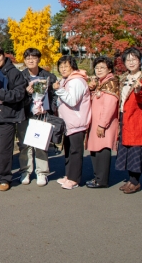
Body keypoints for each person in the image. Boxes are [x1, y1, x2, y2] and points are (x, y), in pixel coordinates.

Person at [0, 45, 27, 191]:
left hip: (7, 116)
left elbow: (20, 94)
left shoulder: (14, 73)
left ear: (3, 55)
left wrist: (2, 95)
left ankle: (5, 178)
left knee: (4, 149)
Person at [16, 48, 58, 187]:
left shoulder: (48, 76)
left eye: (33, 58)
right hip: (25, 114)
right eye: (27, 58)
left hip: (42, 115)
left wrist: (48, 110)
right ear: (24, 60)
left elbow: (53, 96)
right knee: (24, 144)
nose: (30, 60)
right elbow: (16, 98)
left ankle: (42, 172)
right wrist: (27, 94)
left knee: (41, 143)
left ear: (39, 59)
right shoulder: (20, 76)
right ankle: (25, 171)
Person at [115, 47, 142, 194]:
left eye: (134, 59)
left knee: (136, 150)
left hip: (137, 120)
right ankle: (130, 180)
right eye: (128, 60)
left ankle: (135, 182)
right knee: (127, 150)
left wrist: (138, 90)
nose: (131, 62)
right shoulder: (124, 77)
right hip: (124, 118)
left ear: (139, 61)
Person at [53, 56, 91, 190]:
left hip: (77, 122)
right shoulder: (66, 80)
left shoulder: (77, 81)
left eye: (66, 66)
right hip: (69, 123)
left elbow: (72, 100)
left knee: (75, 151)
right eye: (61, 67)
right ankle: (68, 175)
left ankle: (74, 178)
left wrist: (59, 90)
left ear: (73, 67)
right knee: (68, 150)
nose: (63, 69)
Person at [85, 56, 119, 189]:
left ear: (109, 69)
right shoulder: (101, 82)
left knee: (102, 151)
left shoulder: (111, 82)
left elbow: (110, 105)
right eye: (97, 67)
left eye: (102, 67)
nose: (98, 70)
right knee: (95, 151)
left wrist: (102, 124)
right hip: (97, 122)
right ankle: (97, 177)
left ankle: (102, 180)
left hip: (104, 124)